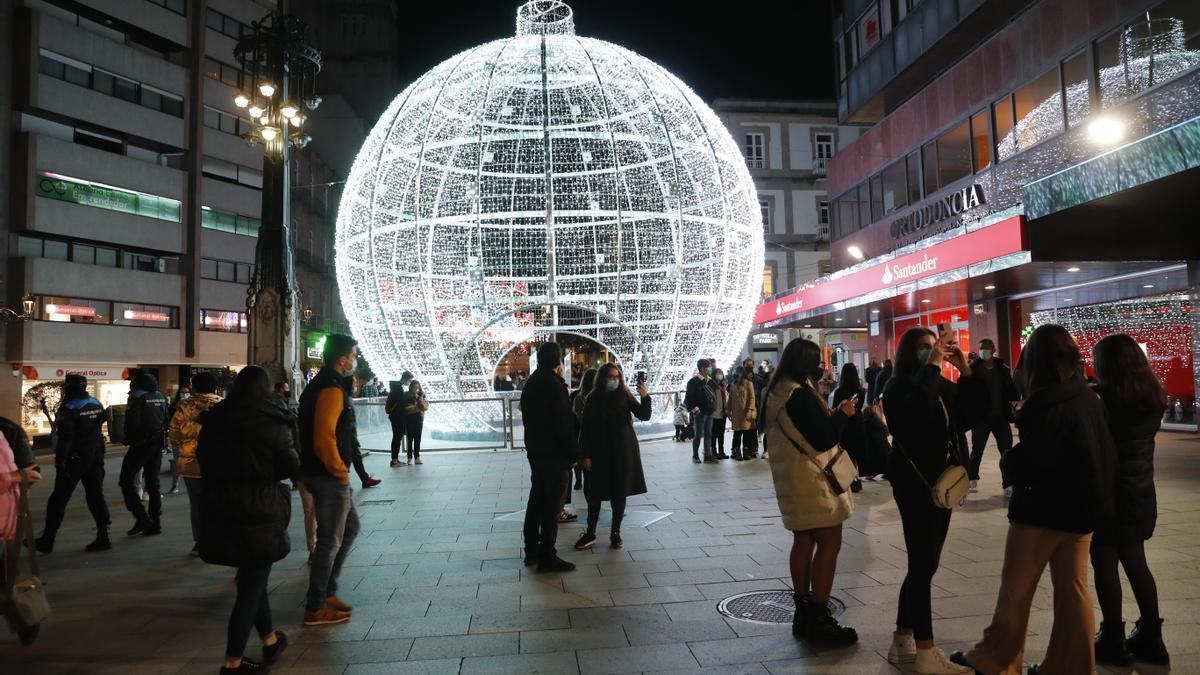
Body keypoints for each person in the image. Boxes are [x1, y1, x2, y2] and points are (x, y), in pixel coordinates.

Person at [952, 325, 1117, 674]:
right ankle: (1070, 666)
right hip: (1082, 512)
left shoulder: (1046, 404)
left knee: (1017, 590)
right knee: (1074, 593)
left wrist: (1008, 462)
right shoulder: (1089, 398)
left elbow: (1034, 460)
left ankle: (996, 660)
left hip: (1042, 512)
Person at [882, 327, 985, 674]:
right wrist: (935, 366)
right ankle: (925, 651)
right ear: (908, 353)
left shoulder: (936, 382)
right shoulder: (895, 388)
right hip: (914, 484)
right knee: (923, 565)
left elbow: (974, 414)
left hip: (941, 482)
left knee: (925, 564)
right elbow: (920, 413)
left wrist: (966, 371)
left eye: (934, 346)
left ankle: (902, 638)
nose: (932, 351)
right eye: (924, 348)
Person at [196, 365, 297, 674]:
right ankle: (233, 662)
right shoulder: (271, 421)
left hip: (220, 505)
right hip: (258, 508)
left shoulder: (215, 420)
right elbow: (288, 464)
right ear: (266, 389)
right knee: (251, 582)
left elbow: (202, 459)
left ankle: (269, 640)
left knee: (253, 576)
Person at [762, 338, 858, 645]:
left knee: (803, 539)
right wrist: (843, 413)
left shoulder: (777, 391)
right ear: (804, 364)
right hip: (812, 481)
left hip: (793, 479)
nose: (821, 367)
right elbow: (823, 438)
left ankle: (802, 612)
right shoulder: (798, 395)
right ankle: (819, 617)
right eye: (817, 362)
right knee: (829, 541)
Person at [1089, 334, 1170, 666]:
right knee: (1136, 561)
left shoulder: (1104, 402)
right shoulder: (1151, 396)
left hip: (1110, 495)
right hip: (1140, 493)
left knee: (1104, 562)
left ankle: (1112, 638)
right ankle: (1152, 638)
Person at [297, 334, 362, 626]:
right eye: (353, 355)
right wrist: (339, 470)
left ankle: (328, 592)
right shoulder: (331, 389)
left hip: (321, 473)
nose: (354, 360)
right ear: (342, 358)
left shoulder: (322, 385)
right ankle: (316, 605)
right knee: (330, 540)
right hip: (327, 475)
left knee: (349, 528)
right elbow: (325, 437)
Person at [574, 364, 651, 550]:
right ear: (602, 378)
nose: (614, 380)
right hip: (600, 453)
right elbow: (585, 430)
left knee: (619, 493)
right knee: (595, 495)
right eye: (611, 376)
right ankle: (590, 533)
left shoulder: (624, 394)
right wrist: (585, 455)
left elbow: (644, 415)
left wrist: (645, 396)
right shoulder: (593, 397)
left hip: (623, 452)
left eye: (617, 376)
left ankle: (615, 533)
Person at [518, 342, 580, 573]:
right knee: (552, 506)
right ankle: (547, 555)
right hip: (554, 456)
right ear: (557, 362)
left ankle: (532, 550)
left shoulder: (532, 384)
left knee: (536, 502)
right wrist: (573, 454)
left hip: (537, 453)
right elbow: (562, 424)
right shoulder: (554, 385)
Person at [35, 374, 110, 554]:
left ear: (69, 388)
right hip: (95, 457)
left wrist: (60, 462)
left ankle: (47, 540)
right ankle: (104, 536)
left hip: (74, 460)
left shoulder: (69, 407)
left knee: (58, 500)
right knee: (96, 497)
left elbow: (65, 439)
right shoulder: (96, 403)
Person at [167, 372, 222, 557]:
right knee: (219, 501)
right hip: (217, 462)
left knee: (196, 503)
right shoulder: (222, 404)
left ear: (194, 387)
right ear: (215, 387)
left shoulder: (183, 406)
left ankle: (200, 543)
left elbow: (174, 436)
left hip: (190, 462)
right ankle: (219, 538)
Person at [118, 370, 169, 537]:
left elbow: (132, 423)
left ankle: (142, 517)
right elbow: (166, 419)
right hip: (157, 443)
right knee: (153, 484)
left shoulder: (136, 397)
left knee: (125, 481)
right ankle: (156, 523)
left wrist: (127, 438)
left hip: (140, 444)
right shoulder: (160, 396)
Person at [968, 338, 1018, 495]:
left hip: (1000, 417)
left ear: (994, 349)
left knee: (1006, 451)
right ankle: (972, 479)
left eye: (987, 348)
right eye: (982, 348)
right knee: (977, 450)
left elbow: (1010, 389)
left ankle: (1008, 483)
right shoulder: (973, 369)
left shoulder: (1002, 369)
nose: (985, 351)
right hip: (981, 418)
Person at [831, 363, 866, 492]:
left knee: (846, 454)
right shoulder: (861, 391)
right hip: (857, 423)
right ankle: (856, 481)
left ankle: (848, 480)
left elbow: (835, 408)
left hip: (844, 425)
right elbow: (859, 407)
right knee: (855, 454)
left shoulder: (839, 391)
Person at [683, 359, 716, 463]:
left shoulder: (711, 381)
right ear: (703, 368)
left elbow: (713, 396)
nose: (711, 369)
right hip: (700, 413)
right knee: (698, 434)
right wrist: (695, 409)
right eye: (709, 367)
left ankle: (707, 455)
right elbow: (688, 398)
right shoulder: (693, 382)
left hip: (710, 411)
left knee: (708, 434)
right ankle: (695, 455)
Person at [728, 367, 758, 460]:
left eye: (739, 372)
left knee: (747, 433)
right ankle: (737, 451)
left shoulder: (749, 383)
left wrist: (750, 409)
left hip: (746, 413)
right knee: (737, 433)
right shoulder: (733, 385)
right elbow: (730, 399)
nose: (738, 374)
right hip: (736, 413)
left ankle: (746, 451)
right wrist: (728, 410)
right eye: (737, 372)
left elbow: (752, 398)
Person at [386, 373, 414, 467]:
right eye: (409, 380)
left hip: (395, 416)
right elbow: (400, 404)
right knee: (397, 437)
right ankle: (394, 461)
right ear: (405, 379)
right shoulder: (398, 389)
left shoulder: (396, 387)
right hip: (397, 416)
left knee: (397, 437)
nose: (409, 383)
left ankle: (395, 459)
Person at [403, 380, 429, 464]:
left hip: (419, 419)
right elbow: (406, 408)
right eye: (414, 387)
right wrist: (416, 408)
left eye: (417, 387)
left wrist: (418, 399)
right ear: (411, 387)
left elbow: (425, 406)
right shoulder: (406, 395)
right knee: (410, 439)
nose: (416, 389)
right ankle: (409, 457)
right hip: (409, 419)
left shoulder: (421, 395)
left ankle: (417, 457)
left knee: (418, 438)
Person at [710, 368, 729, 459]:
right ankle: (714, 452)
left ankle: (721, 452)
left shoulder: (723, 385)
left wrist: (725, 411)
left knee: (721, 434)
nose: (720, 375)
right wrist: (718, 411)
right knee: (714, 434)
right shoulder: (711, 385)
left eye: (721, 373)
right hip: (715, 413)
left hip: (723, 413)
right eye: (718, 373)